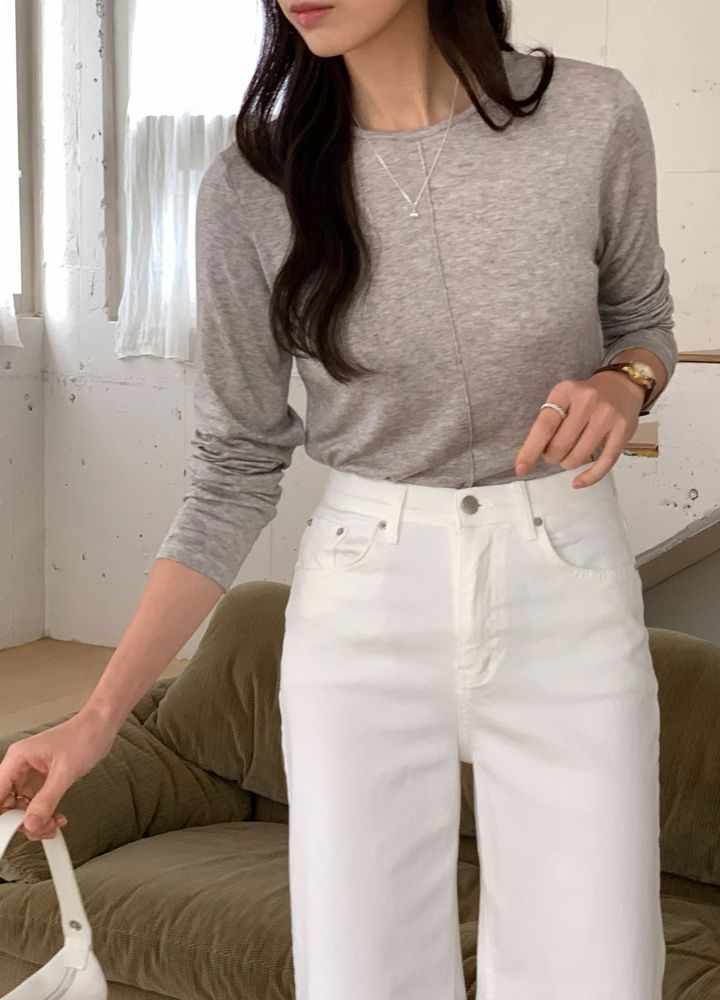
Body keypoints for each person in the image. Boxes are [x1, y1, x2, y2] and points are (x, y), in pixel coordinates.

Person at [0, 1, 677, 997]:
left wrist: (627, 381)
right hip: (364, 594)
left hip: (565, 580)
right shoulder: (252, 184)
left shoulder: (591, 114)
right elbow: (234, 464)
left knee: (598, 966)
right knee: (361, 970)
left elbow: (644, 319)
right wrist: (99, 715)